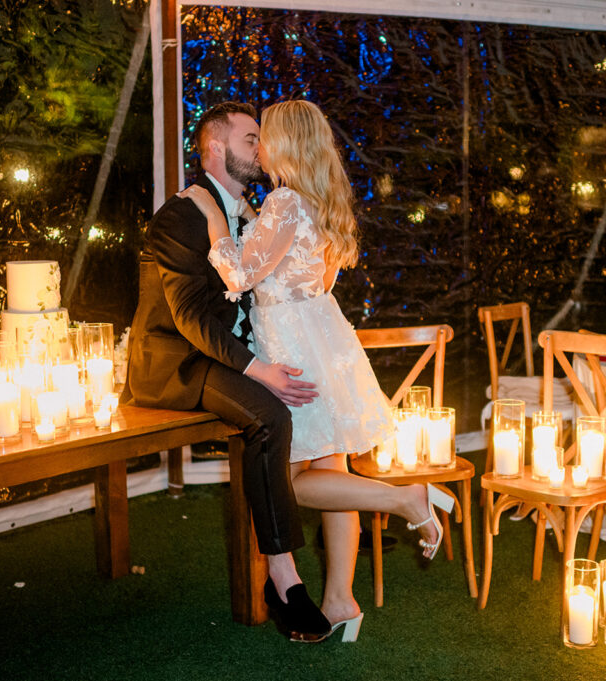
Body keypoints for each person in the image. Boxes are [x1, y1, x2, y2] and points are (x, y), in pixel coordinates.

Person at [180, 99, 454, 643]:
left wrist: (212, 215)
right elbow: (301, 273)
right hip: (326, 340)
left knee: (297, 484)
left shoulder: (283, 201)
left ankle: (407, 499)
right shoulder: (319, 200)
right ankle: (340, 599)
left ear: (286, 142)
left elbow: (237, 274)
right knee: (335, 474)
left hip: (295, 350)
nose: (259, 148)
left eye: (265, 137)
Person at [120, 101, 331, 643]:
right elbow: (189, 318)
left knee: (305, 405)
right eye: (249, 140)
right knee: (270, 415)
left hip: (222, 354)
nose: (260, 150)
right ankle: (284, 580)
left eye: (261, 140)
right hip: (178, 362)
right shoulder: (181, 215)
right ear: (214, 148)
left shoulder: (250, 209)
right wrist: (261, 369)